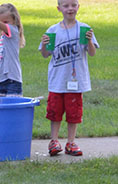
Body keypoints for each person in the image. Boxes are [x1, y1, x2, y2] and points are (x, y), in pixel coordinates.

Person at [39, 0, 98, 156]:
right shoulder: (53, 30)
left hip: (76, 81)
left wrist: (90, 40)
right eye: (66, 6)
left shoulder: (84, 29)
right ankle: (54, 141)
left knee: (74, 113)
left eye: (73, 5)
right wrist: (44, 45)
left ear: (78, 7)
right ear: (59, 9)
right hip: (57, 80)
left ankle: (71, 142)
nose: (70, 8)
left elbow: (92, 53)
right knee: (54, 112)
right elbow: (45, 55)